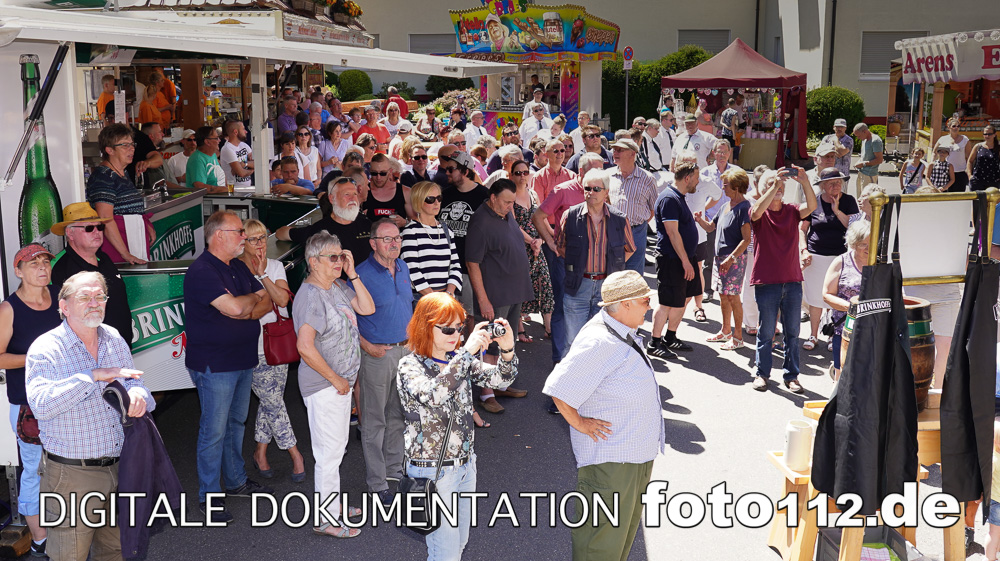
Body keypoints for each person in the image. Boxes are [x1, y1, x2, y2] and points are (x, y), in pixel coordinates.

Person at [26, 271, 154, 560]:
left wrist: (139, 396)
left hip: (121, 467)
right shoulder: (46, 348)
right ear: (64, 306)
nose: (94, 303)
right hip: (72, 475)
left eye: (100, 296)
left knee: (116, 550)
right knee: (69, 555)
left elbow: (136, 383)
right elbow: (41, 405)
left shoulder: (114, 338)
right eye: (84, 297)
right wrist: (92, 376)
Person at [543, 270, 663, 561]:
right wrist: (580, 423)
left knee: (619, 540)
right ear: (625, 304)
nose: (650, 307)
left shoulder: (620, 330)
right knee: (600, 544)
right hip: (611, 463)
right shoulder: (599, 341)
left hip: (631, 457)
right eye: (645, 301)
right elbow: (559, 388)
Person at [397, 292, 518, 561]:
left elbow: (501, 380)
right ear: (425, 327)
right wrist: (465, 353)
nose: (456, 335)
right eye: (448, 329)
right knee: (446, 554)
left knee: (458, 546)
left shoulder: (458, 359)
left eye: (459, 327)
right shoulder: (410, 365)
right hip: (433, 472)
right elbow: (433, 395)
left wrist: (507, 349)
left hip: (465, 466)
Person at [184, 211, 274, 522]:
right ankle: (208, 498)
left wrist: (245, 306)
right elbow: (237, 306)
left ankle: (235, 481)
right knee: (214, 431)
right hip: (216, 363)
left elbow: (265, 301)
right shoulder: (202, 271)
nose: (244, 237)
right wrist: (245, 304)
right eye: (239, 232)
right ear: (219, 235)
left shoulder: (236, 265)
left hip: (241, 358)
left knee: (236, 424)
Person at [294, 231, 374, 537]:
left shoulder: (337, 286)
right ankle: (325, 519)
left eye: (341, 255)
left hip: (338, 385)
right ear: (313, 262)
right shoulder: (311, 296)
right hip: (325, 386)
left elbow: (367, 308)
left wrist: (353, 274)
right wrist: (336, 380)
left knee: (336, 450)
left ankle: (333, 505)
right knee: (329, 454)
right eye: (332, 257)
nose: (338, 261)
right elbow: (305, 347)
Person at [0, 244, 60, 557]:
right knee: (35, 470)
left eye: (45, 262)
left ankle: (67, 529)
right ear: (18, 271)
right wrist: (35, 357)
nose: (41, 268)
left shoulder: (60, 298)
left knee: (68, 467)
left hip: (65, 398)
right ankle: (39, 539)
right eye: (33, 263)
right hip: (28, 405)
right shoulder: (9, 309)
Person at [236, 219, 306, 483]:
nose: (259, 244)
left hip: (278, 343)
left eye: (262, 238)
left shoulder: (274, 266)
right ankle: (295, 454)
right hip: (252, 347)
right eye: (253, 239)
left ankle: (260, 452)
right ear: (242, 242)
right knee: (274, 402)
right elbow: (245, 310)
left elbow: (282, 299)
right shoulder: (235, 269)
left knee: (271, 401)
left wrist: (263, 275)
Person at [355, 219, 412, 504]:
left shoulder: (403, 267)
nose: (394, 243)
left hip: (405, 352)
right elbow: (347, 318)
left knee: (398, 417)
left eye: (397, 238)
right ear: (373, 243)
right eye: (387, 239)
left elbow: (408, 306)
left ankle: (394, 473)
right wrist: (367, 346)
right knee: (374, 421)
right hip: (378, 355)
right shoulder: (361, 274)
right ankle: (377, 484)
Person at [466, 178, 534, 414]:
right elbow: (472, 263)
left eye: (512, 202)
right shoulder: (480, 222)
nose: (510, 206)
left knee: (507, 341)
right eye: (506, 202)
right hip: (495, 295)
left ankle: (500, 384)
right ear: (493, 198)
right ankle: (487, 393)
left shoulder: (505, 213)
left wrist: (531, 241)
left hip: (513, 291)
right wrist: (483, 300)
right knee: (491, 342)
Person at [749, 166, 816, 393]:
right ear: (763, 189)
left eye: (780, 185)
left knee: (793, 333)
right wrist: (774, 183)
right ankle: (761, 374)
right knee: (766, 332)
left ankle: (792, 376)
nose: (778, 188)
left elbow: (812, 207)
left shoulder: (792, 210)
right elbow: (756, 212)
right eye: (771, 185)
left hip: (792, 281)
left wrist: (805, 181)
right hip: (767, 282)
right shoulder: (759, 212)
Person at [559, 168, 635, 347]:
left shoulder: (619, 219)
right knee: (574, 341)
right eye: (587, 188)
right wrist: (577, 263)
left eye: (596, 189)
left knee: (602, 342)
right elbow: (561, 247)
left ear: (606, 192)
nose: (591, 192)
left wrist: (613, 267)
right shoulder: (570, 216)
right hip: (578, 286)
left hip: (606, 288)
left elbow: (630, 248)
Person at [49, 202, 133, 348]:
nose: (97, 232)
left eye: (100, 227)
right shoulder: (58, 267)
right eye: (89, 228)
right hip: (84, 353)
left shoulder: (104, 258)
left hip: (121, 347)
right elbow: (53, 316)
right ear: (70, 233)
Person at [647, 163, 702, 359]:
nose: (698, 181)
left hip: (684, 258)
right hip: (671, 260)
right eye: (696, 178)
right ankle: (654, 343)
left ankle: (670, 337)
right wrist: (685, 261)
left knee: (683, 298)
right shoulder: (669, 198)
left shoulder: (678, 197)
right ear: (687, 178)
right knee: (666, 302)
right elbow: (672, 233)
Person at [693, 167, 752, 350]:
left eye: (726, 185)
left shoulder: (744, 208)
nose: (723, 188)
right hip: (721, 258)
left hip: (733, 260)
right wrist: (700, 220)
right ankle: (726, 331)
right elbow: (711, 227)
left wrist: (731, 258)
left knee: (733, 297)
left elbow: (746, 239)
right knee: (723, 295)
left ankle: (738, 337)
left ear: (736, 187)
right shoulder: (725, 206)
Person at [800, 167, 858, 350]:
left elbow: (853, 228)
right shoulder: (814, 202)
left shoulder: (849, 201)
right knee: (815, 298)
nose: (836, 186)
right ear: (822, 186)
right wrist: (803, 250)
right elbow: (802, 229)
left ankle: (833, 334)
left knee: (835, 297)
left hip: (840, 257)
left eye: (838, 182)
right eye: (831, 183)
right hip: (816, 256)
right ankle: (813, 335)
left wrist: (837, 210)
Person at [86, 123, 156, 265]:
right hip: (116, 247)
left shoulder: (122, 173)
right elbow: (105, 218)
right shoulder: (103, 176)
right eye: (125, 145)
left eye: (132, 144)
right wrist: (125, 254)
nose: (132, 149)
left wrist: (146, 225)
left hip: (132, 240)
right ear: (109, 150)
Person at [277, 176, 373, 264]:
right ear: (332, 198)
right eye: (347, 194)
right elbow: (280, 233)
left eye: (355, 194)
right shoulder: (320, 230)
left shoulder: (366, 224)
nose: (352, 198)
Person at [511, 159, 555, 342]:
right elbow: (513, 224)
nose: (522, 176)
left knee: (545, 283)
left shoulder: (533, 194)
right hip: (520, 247)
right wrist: (532, 242)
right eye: (518, 173)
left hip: (537, 245)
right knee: (520, 286)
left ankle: (549, 327)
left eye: (525, 172)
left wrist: (549, 236)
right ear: (511, 175)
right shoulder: (510, 196)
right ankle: (520, 329)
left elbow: (541, 219)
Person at [822, 219, 869, 380]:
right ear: (854, 243)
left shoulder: (879, 263)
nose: (868, 248)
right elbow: (827, 294)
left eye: (872, 243)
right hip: (844, 329)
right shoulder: (841, 261)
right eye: (863, 244)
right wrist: (852, 307)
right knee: (842, 376)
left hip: (872, 330)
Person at [607, 138, 658, 275]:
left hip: (636, 231)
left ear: (632, 154)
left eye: (620, 150)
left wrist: (636, 224)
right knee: (611, 273)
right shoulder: (608, 175)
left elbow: (653, 208)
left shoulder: (647, 178)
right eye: (614, 150)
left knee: (633, 275)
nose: (615, 153)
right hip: (611, 231)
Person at [365, 153, 413, 228]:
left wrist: (405, 222)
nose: (378, 177)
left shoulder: (405, 192)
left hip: (397, 235)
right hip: (371, 234)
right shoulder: (364, 191)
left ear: (390, 171)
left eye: (383, 173)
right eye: (374, 173)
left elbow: (416, 222)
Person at [530, 139, 576, 207]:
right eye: (556, 151)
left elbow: (575, 202)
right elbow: (538, 206)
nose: (560, 154)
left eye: (562, 150)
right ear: (546, 154)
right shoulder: (539, 177)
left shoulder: (572, 176)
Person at [935, 117, 973, 192]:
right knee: (945, 193)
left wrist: (969, 170)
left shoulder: (965, 139)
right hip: (945, 171)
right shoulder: (943, 139)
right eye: (954, 126)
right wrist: (933, 164)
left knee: (959, 194)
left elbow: (969, 156)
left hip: (960, 171)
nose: (956, 128)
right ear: (949, 127)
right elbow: (934, 152)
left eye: (958, 126)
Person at [186, 125, 226, 194]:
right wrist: (223, 189)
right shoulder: (197, 159)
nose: (219, 140)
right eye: (216, 138)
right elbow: (200, 186)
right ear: (207, 142)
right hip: (206, 200)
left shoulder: (212, 154)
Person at [220, 120, 254, 191]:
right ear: (235, 132)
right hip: (234, 190)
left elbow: (257, 163)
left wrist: (244, 164)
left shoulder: (244, 145)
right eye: (243, 129)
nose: (246, 131)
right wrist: (253, 169)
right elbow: (241, 173)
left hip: (247, 188)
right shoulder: (227, 149)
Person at [852, 123, 883, 197]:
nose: (858, 138)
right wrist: (859, 162)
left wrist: (863, 164)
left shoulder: (875, 141)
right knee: (860, 199)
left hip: (870, 175)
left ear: (865, 132)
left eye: (859, 136)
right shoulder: (864, 139)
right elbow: (865, 156)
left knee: (867, 199)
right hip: (861, 173)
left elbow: (879, 160)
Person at [970, 124, 1000, 192]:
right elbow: (970, 161)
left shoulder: (998, 148)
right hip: (977, 181)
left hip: (993, 181)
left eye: (989, 134)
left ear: (994, 134)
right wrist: (970, 176)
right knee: (978, 199)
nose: (987, 136)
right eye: (985, 134)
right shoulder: (978, 146)